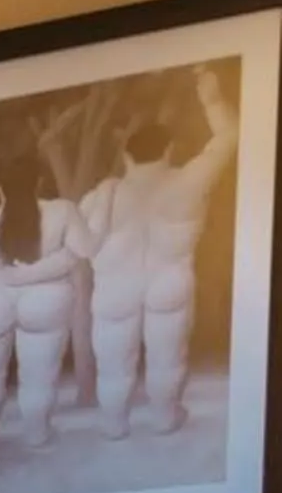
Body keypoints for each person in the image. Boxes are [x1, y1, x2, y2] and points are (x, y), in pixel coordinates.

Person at [79, 64, 238, 437]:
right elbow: (229, 136)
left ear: (127, 157)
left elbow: (82, 243)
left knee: (114, 364)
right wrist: (212, 100)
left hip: (116, 290)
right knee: (168, 358)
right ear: (169, 150)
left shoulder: (105, 193)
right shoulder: (187, 181)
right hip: (169, 283)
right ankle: (165, 418)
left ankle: (114, 425)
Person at [0, 142, 95, 453]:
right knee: (40, 377)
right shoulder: (63, 210)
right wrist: (37, 273)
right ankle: (38, 434)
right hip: (45, 301)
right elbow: (84, 251)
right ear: (39, 182)